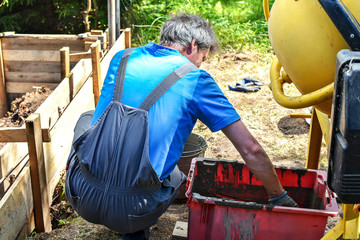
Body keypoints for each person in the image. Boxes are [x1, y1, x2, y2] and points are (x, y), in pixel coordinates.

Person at [65, 13, 297, 240]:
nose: (200, 65)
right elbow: (251, 149)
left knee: (88, 117)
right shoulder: (196, 79)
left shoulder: (123, 58)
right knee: (176, 173)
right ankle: (134, 230)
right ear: (193, 46)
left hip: (81, 195)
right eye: (203, 58)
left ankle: (114, 206)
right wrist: (278, 196)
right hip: (134, 211)